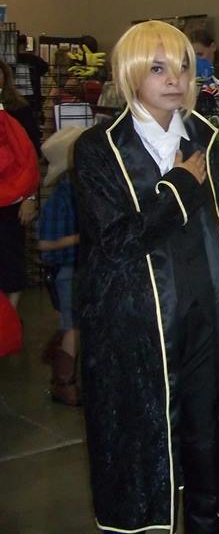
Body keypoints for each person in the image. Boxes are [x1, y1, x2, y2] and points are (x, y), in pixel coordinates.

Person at [73, 20, 219, 533]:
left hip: (206, 316)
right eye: (158, 68)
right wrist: (180, 187)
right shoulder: (98, 148)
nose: (175, 79)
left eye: (183, 67)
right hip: (136, 326)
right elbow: (116, 242)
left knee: (206, 436)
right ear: (130, 74)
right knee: (143, 446)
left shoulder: (205, 137)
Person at [36, 126, 84, 406]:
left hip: (78, 267)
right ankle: (63, 382)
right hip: (68, 269)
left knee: (75, 323)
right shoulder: (63, 197)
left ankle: (59, 363)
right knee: (73, 325)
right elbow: (45, 243)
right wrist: (81, 237)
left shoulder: (77, 191)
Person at [0, 59, 41, 311]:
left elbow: (31, 158)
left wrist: (30, 198)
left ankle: (10, 317)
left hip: (13, 199)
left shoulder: (19, 110)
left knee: (10, 256)